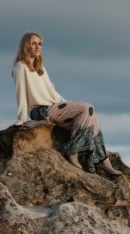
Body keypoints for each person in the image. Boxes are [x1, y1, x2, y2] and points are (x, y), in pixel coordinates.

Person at [12, 31, 121, 177]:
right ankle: (72, 150)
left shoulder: (40, 68)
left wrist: (67, 104)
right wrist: (21, 118)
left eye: (40, 44)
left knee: (92, 119)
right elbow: (20, 93)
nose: (38, 46)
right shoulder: (20, 67)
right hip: (40, 110)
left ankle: (102, 160)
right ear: (26, 46)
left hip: (54, 107)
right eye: (34, 43)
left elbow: (51, 90)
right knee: (87, 107)